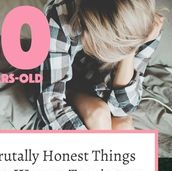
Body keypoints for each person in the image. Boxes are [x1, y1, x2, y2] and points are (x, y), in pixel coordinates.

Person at [35, 0, 164, 130]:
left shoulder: (146, 26)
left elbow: (122, 108)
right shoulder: (60, 15)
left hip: (100, 91)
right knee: (98, 114)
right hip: (67, 85)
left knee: (122, 125)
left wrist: (130, 51)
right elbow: (51, 100)